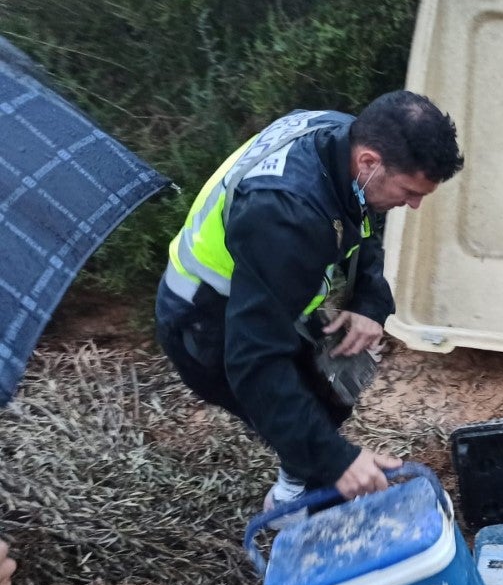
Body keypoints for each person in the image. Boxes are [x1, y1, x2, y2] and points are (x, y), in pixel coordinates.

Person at [155, 91, 464, 510]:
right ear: (370, 163)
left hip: (269, 291)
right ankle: (295, 509)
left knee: (331, 395)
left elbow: (364, 217)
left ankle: (298, 483)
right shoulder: (285, 213)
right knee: (304, 421)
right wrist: (338, 461)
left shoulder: (342, 137)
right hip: (205, 320)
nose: (414, 204)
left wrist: (370, 300)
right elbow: (254, 361)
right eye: (410, 190)